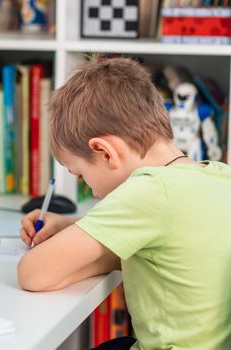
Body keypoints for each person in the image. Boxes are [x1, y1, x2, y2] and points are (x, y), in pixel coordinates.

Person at [17, 57, 231, 350]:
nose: (91, 192)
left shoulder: (149, 191)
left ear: (105, 152)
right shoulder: (219, 176)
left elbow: (33, 273)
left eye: (81, 175)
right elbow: (166, 247)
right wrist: (69, 226)